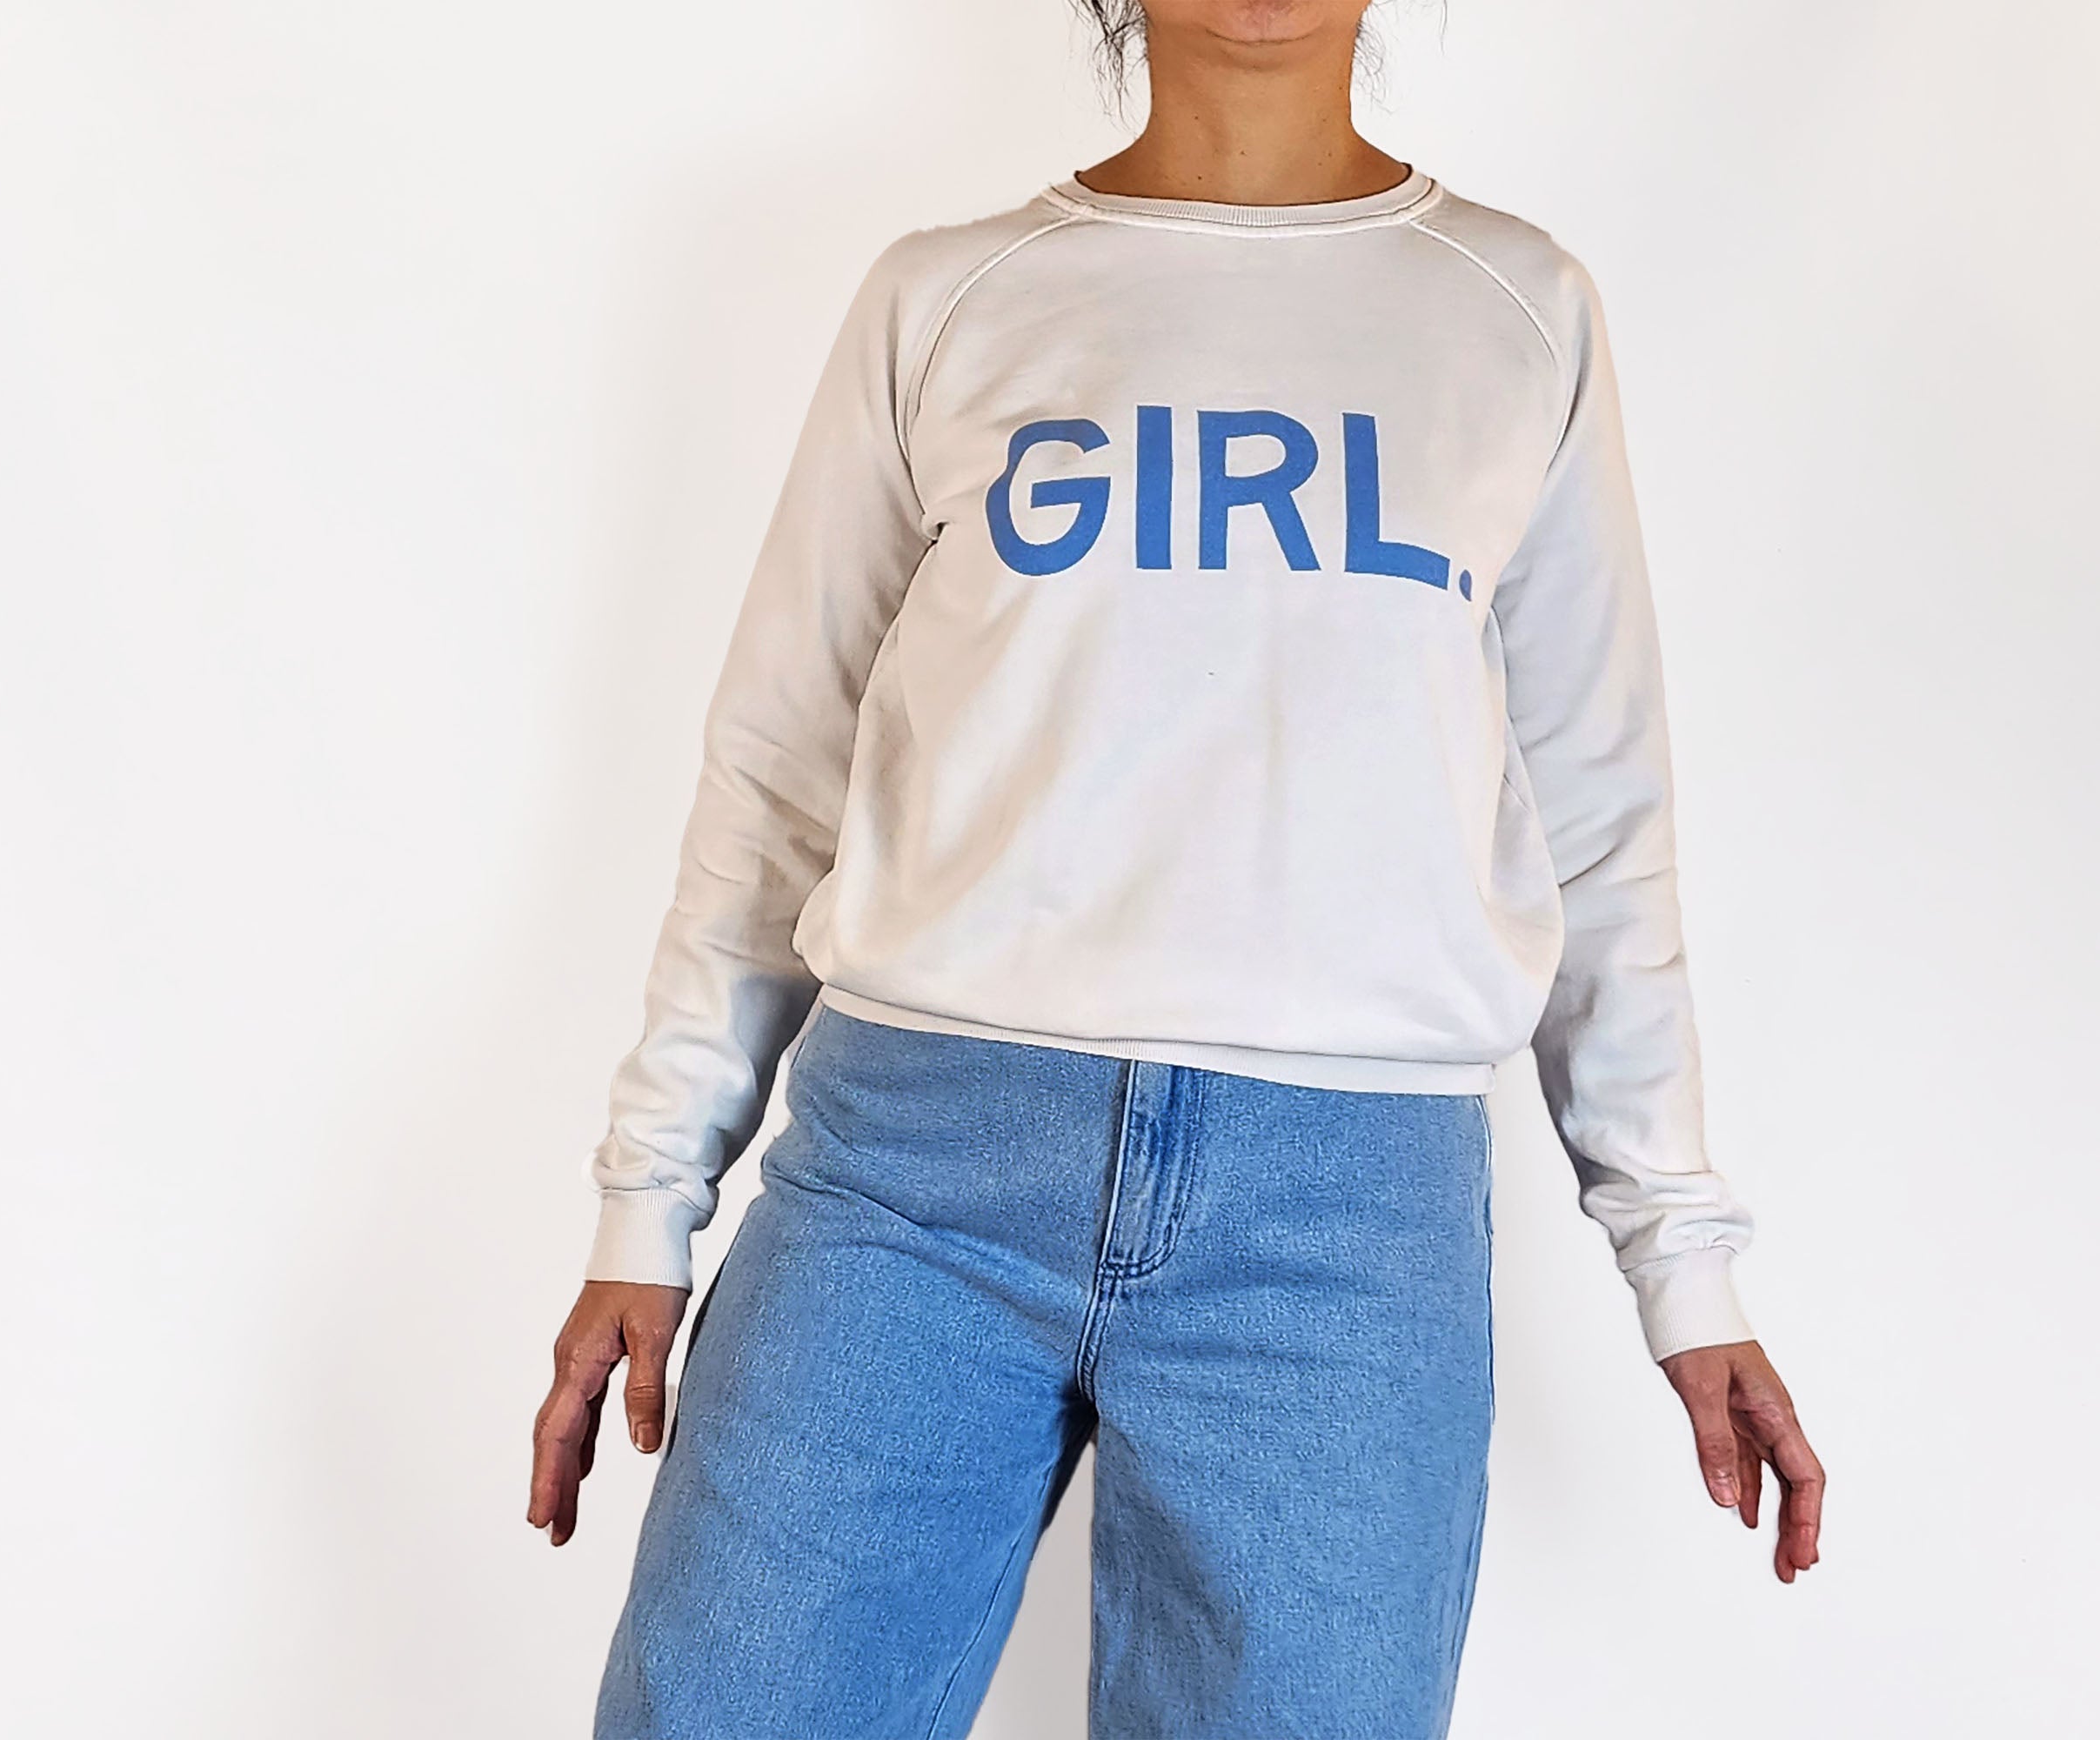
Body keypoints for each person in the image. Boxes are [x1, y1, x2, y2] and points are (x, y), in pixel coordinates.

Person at [529, 3, 1827, 1735]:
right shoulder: (948, 296)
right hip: (905, 1186)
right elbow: (781, 765)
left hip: (1340, 1228)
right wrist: (649, 1198)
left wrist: (1680, 1255)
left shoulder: (1515, 312)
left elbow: (1596, 808)